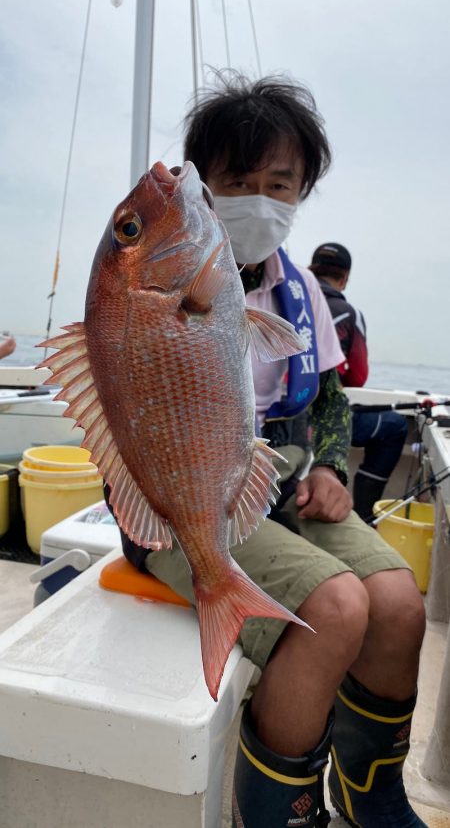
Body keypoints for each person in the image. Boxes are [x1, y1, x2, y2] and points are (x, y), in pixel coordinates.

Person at [114, 74, 427, 827]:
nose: (259, 198)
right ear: (202, 185)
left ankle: (367, 788)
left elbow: (324, 394)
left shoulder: (302, 290)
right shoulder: (156, 283)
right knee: (337, 607)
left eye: (278, 183)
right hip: (176, 501)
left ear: (301, 192)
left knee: (399, 603)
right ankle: (280, 812)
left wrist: (326, 464)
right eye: (237, 180)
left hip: (275, 486)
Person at [309, 243, 408, 521]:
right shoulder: (349, 314)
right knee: (395, 427)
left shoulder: (286, 300)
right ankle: (365, 514)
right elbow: (357, 378)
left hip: (278, 420)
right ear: (345, 278)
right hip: (319, 419)